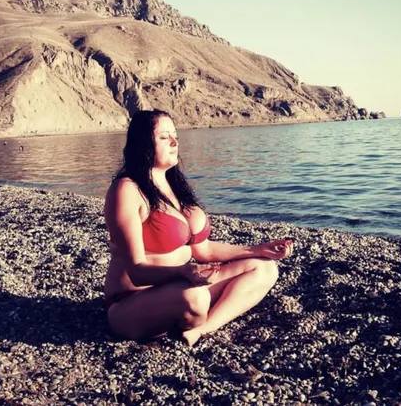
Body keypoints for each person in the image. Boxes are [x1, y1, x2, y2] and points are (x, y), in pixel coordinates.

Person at [104, 109, 293, 346]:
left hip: (180, 287)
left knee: (264, 268)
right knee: (196, 298)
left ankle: (201, 330)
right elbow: (137, 271)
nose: (175, 143)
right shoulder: (127, 190)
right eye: (164, 137)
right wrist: (182, 272)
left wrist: (257, 249)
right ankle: (192, 319)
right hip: (131, 302)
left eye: (175, 136)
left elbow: (203, 250)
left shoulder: (172, 186)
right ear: (143, 143)